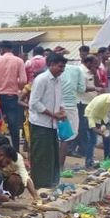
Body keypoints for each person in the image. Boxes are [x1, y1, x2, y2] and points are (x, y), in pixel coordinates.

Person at [28, 53, 67, 189]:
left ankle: (50, 181)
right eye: (60, 66)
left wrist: (62, 110)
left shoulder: (58, 80)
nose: (62, 70)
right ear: (51, 64)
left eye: (63, 67)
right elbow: (34, 103)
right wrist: (52, 114)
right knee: (40, 154)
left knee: (51, 154)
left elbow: (59, 99)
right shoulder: (42, 79)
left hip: (52, 123)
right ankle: (38, 183)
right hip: (40, 123)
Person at [0, 41, 27, 152]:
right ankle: (16, 152)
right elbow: (23, 80)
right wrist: (16, 86)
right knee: (13, 126)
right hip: (11, 97)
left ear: (2, 50)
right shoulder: (19, 61)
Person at [75, 55, 103, 167]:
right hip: (82, 102)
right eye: (95, 63)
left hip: (91, 102)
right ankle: (83, 151)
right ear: (89, 63)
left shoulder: (92, 71)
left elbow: (98, 84)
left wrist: (95, 73)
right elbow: (81, 88)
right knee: (84, 128)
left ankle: (86, 152)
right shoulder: (81, 72)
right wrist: (95, 89)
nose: (97, 66)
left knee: (87, 128)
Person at [57, 58, 85, 169]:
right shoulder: (77, 70)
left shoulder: (53, 70)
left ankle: (54, 165)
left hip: (56, 106)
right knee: (66, 138)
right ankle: (60, 166)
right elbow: (81, 89)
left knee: (56, 137)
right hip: (71, 107)